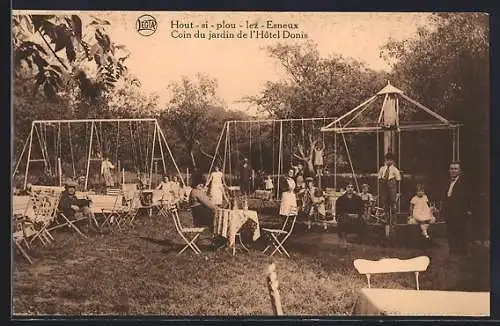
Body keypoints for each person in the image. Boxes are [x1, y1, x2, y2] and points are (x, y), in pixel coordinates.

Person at [441, 162, 472, 259]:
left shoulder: (464, 183)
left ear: (460, 171)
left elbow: (467, 197)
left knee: (460, 232)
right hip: (449, 211)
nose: (453, 171)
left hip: (459, 211)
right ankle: (453, 252)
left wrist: (467, 210)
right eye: (451, 169)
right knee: (450, 231)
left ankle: (462, 253)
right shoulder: (447, 182)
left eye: (455, 169)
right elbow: (446, 196)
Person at [335, 181, 365, 248]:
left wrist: (357, 215)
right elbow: (339, 210)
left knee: (361, 221)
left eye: (352, 187)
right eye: (348, 187)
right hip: (345, 216)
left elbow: (361, 209)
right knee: (342, 220)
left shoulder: (358, 198)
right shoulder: (341, 199)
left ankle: (360, 240)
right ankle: (343, 239)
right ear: (346, 188)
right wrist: (347, 215)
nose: (350, 189)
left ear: (353, 188)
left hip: (356, 216)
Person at [377, 152, 401, 236]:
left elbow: (398, 180)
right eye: (387, 160)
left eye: (390, 160)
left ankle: (393, 222)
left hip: (392, 185)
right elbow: (379, 178)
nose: (389, 162)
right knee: (385, 203)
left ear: (393, 161)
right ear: (385, 160)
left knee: (393, 203)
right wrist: (382, 184)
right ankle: (385, 220)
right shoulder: (382, 168)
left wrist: (397, 191)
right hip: (384, 186)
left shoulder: (394, 169)